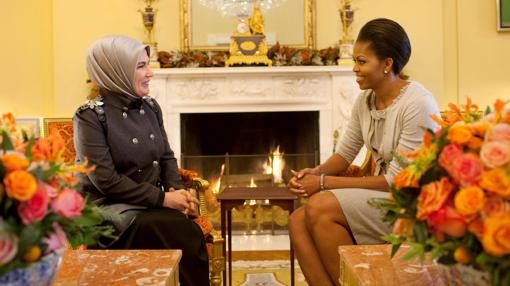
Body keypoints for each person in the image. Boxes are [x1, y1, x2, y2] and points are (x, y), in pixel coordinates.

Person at [287, 18, 441, 286]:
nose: (354, 69)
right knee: (298, 219)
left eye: (361, 61)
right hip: (383, 197)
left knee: (320, 207)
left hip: (413, 204)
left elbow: (397, 182)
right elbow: (345, 153)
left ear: (387, 64)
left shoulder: (418, 103)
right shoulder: (365, 100)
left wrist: (321, 184)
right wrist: (314, 172)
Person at [73, 35, 209, 286]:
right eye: (141, 66)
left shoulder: (150, 106)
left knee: (182, 226)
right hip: (109, 210)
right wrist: (164, 199)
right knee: (182, 230)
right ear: (116, 70)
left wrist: (177, 190)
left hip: (146, 205)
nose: (150, 73)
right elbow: (106, 181)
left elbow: (166, 156)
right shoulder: (89, 116)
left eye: (148, 65)